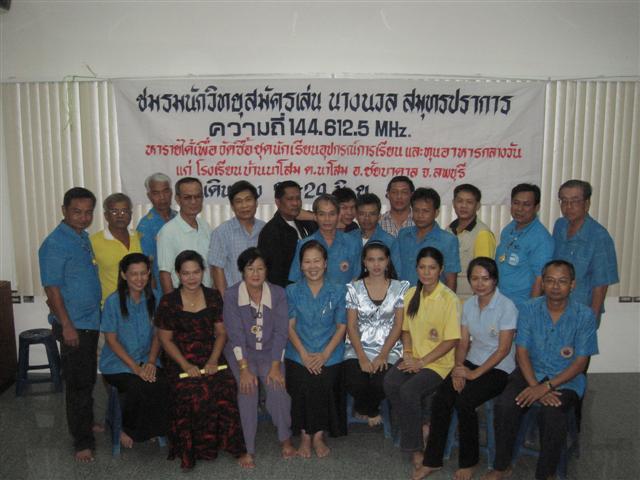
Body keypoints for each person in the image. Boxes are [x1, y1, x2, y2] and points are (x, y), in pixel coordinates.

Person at [482, 260, 598, 480]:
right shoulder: (529, 308)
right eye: (550, 280)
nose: (556, 286)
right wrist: (536, 386)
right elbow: (522, 352)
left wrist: (547, 387)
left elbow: (580, 363)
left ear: (572, 284)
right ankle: (501, 466)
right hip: (530, 372)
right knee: (505, 405)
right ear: (542, 283)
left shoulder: (584, 315)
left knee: (552, 414)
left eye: (562, 281)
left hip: (566, 378)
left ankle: (546, 473)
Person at [414, 257, 517, 480]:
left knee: (465, 401)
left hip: (500, 368)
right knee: (442, 396)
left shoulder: (506, 306)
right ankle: (432, 460)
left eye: (485, 279)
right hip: (472, 360)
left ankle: (469, 462)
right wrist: (459, 369)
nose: (480, 284)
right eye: (475, 279)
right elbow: (462, 343)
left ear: (495, 280)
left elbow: (503, 350)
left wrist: (473, 374)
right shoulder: (468, 305)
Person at [155, 250, 249, 470]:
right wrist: (185, 365)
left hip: (210, 354)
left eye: (196, 272)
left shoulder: (213, 296)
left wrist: (214, 360)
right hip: (179, 358)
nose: (191, 277)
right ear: (178, 275)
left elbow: (221, 333)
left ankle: (231, 445)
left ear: (203, 272)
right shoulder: (169, 301)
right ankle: (193, 450)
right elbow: (165, 339)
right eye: (186, 273)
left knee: (225, 385)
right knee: (192, 390)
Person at [38, 187, 102, 463]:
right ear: (64, 210)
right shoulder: (55, 243)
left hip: (90, 320)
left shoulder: (82, 237)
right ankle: (82, 442)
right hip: (73, 324)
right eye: (77, 211)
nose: (83, 217)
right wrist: (66, 326)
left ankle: (85, 423)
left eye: (88, 212)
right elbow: (52, 289)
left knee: (87, 379)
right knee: (77, 384)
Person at [384, 247, 461, 467]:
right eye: (422, 267)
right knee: (390, 382)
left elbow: (451, 340)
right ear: (416, 268)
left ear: (441, 270)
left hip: (438, 364)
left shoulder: (449, 299)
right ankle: (419, 426)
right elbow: (405, 331)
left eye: (432, 268)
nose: (426, 272)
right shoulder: (411, 294)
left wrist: (422, 362)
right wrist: (408, 354)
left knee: (409, 390)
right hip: (414, 357)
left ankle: (415, 447)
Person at [223, 248, 295, 467]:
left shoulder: (278, 293)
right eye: (250, 268)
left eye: (260, 268)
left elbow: (281, 332)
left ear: (267, 271)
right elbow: (235, 334)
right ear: (242, 271)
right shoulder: (232, 294)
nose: (255, 273)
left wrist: (275, 366)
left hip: (270, 352)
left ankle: (285, 438)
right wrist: (244, 369)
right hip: (241, 353)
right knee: (247, 389)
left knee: (277, 387)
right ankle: (248, 448)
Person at [285, 240, 348, 458]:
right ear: (301, 265)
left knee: (322, 380)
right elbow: (289, 327)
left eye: (317, 261)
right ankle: (305, 435)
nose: (312, 266)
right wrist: (304, 355)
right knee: (302, 380)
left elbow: (341, 327)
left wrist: (324, 355)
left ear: (325, 263)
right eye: (307, 262)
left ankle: (319, 435)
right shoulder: (292, 291)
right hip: (298, 350)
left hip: (329, 351)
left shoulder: (338, 290)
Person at [99, 253, 168, 449]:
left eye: (143, 273)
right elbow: (111, 340)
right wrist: (135, 368)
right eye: (134, 274)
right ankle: (124, 428)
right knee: (137, 386)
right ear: (124, 275)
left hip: (147, 359)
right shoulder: (113, 302)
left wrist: (151, 361)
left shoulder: (156, 297)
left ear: (149, 273)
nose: (139, 279)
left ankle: (153, 428)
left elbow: (158, 334)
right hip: (118, 363)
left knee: (163, 383)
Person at [344, 241, 409, 427]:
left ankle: (364, 408)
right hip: (358, 345)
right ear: (364, 262)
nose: (376, 264)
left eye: (381, 259)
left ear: (388, 261)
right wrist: (362, 357)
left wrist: (382, 355)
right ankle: (371, 409)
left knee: (383, 382)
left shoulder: (400, 287)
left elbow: (398, 325)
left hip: (389, 347)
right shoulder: (354, 288)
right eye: (371, 260)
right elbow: (351, 326)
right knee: (354, 381)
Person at [552, 179, 619, 325]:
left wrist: (591, 320)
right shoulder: (560, 225)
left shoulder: (599, 236)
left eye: (575, 201)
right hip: (554, 308)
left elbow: (601, 284)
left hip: (581, 311)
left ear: (587, 203)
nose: (568, 206)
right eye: (564, 201)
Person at [495, 183, 554, 310]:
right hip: (499, 302)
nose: (519, 209)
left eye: (526, 204)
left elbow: (540, 279)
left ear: (536, 207)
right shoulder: (508, 229)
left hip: (521, 307)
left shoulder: (541, 238)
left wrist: (530, 312)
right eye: (516, 203)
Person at [288, 194, 361, 285]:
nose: (327, 219)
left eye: (332, 214)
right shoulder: (304, 244)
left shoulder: (352, 243)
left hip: (344, 294)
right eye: (322, 214)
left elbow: (357, 278)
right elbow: (295, 279)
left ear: (338, 216)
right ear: (315, 216)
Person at [396, 188, 460, 291]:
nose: (420, 215)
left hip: (433, 299)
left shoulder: (448, 240)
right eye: (416, 210)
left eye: (425, 211)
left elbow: (451, 280)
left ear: (436, 213)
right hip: (404, 297)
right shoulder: (403, 235)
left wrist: (448, 301)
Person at [209, 180, 265, 296]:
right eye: (239, 201)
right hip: (234, 298)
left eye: (248, 200)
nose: (244, 205)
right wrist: (226, 301)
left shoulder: (265, 229)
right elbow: (217, 269)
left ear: (256, 202)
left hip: (262, 297)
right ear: (232, 206)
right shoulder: (221, 232)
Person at [157, 177, 212, 293]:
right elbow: (165, 273)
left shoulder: (205, 227)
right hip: (181, 298)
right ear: (178, 199)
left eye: (197, 196)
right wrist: (172, 303)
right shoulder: (168, 232)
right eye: (187, 198)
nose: (193, 202)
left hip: (206, 297)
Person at [257, 181, 317, 287]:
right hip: (287, 291)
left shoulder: (302, 221)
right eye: (290, 199)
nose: (295, 203)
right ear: (278, 202)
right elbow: (274, 274)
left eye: (298, 198)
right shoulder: (271, 232)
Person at [91, 193, 142, 304]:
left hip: (140, 305)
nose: (120, 215)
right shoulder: (93, 242)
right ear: (106, 215)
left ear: (131, 214)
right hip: (110, 307)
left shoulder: (140, 237)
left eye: (124, 211)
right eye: (114, 211)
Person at [447, 184, 496, 298]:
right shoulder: (448, 230)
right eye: (460, 201)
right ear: (453, 203)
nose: (463, 206)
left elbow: (484, 274)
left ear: (477, 206)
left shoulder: (482, 233)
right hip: (449, 297)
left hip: (469, 299)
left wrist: (476, 304)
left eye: (469, 202)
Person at [136, 172, 177, 297]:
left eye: (165, 191)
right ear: (149, 196)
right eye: (156, 193)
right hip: (161, 289)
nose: (162, 197)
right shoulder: (145, 225)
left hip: (187, 283)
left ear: (171, 192)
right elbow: (146, 264)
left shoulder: (179, 218)